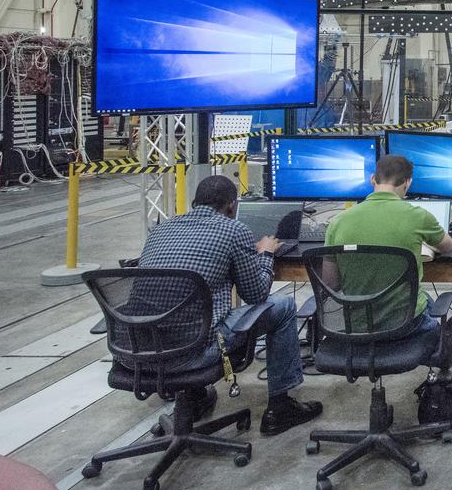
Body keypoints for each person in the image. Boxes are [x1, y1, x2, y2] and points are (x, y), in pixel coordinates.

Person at [138, 175, 323, 436]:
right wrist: (267, 254)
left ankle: (194, 398)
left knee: (188, 313)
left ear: (194, 202)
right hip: (196, 351)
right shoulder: (233, 230)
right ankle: (280, 408)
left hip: (140, 350)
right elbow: (256, 294)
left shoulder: (160, 229)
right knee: (282, 306)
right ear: (232, 206)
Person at [324, 154, 452, 340]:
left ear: (372, 179)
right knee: (427, 304)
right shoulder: (418, 216)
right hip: (405, 324)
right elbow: (448, 246)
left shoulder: (337, 223)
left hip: (357, 325)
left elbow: (330, 283)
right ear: (407, 183)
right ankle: (441, 344)